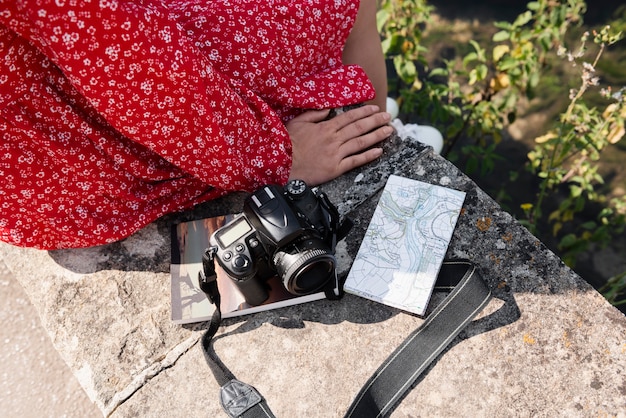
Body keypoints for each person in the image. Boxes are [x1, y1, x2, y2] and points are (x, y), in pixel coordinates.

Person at [0, 0, 391, 250]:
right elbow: (144, 72)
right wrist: (274, 156)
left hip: (27, 178)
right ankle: (375, 125)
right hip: (86, 163)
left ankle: (372, 120)